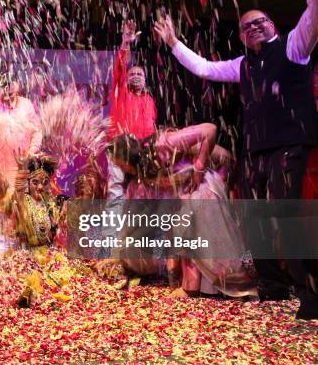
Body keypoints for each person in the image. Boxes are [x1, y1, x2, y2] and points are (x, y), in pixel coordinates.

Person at [154, 0, 317, 318]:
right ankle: (272, 287)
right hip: (255, 150)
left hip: (290, 146)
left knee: (287, 215)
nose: (254, 28)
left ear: (273, 26)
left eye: (260, 22)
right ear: (241, 36)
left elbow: (315, 11)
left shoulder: (294, 47)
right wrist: (174, 43)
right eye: (246, 26)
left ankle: (310, 292)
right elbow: (205, 69)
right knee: (256, 216)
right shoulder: (242, 65)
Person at [101, 124, 256, 298]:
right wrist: (115, 255)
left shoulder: (161, 145)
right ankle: (199, 286)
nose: (123, 171)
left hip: (201, 188)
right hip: (186, 195)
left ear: (129, 156)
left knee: (203, 240)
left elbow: (210, 130)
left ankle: (203, 287)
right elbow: (131, 219)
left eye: (122, 166)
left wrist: (199, 166)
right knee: (180, 232)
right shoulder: (142, 175)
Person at [107, 20, 157, 200]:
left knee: (143, 194)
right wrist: (126, 42)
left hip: (143, 153)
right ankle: (113, 228)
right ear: (126, 79)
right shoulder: (121, 93)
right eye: (132, 74)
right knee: (117, 192)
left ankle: (140, 228)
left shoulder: (149, 100)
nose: (136, 76)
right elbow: (120, 68)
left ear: (145, 80)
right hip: (120, 150)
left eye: (140, 74)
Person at [0, 75, 42, 186]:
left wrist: (32, 151)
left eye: (10, 91)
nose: (6, 94)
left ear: (17, 87)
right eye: (3, 91)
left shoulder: (26, 105)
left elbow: (37, 132)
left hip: (23, 170)